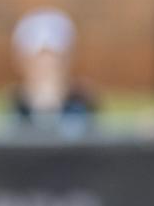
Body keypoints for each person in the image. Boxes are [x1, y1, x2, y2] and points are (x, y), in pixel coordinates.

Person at [11, 7, 96, 137]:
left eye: (54, 58)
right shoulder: (16, 105)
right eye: (38, 59)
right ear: (22, 61)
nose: (46, 65)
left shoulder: (83, 103)